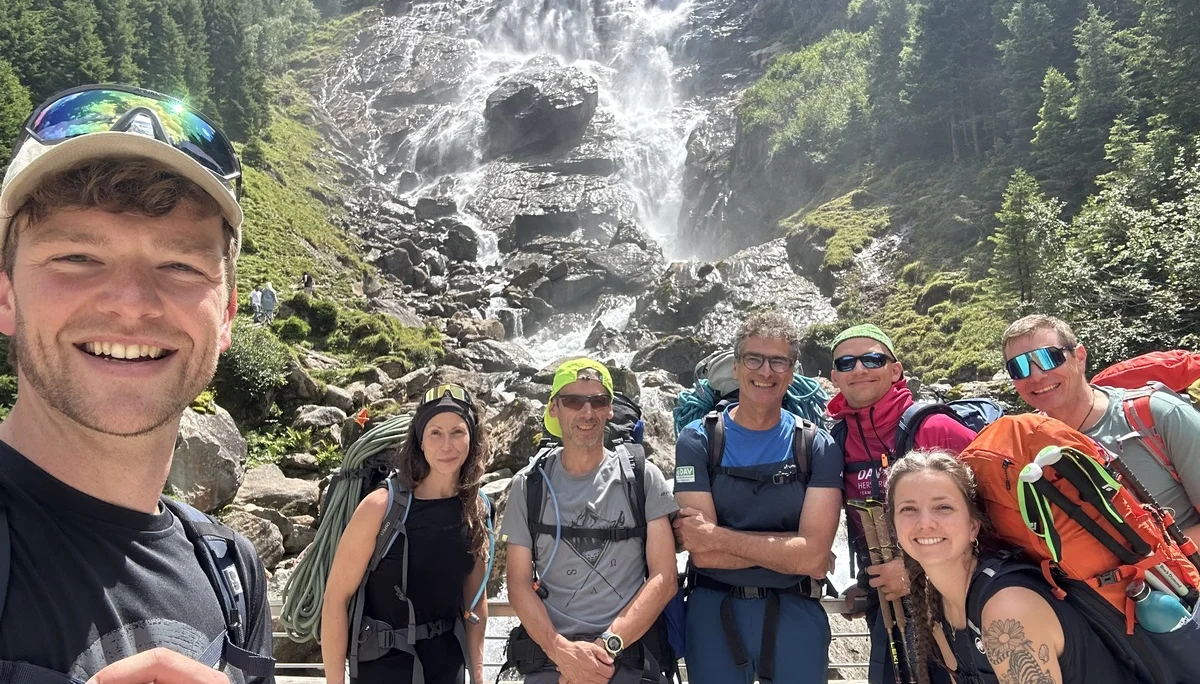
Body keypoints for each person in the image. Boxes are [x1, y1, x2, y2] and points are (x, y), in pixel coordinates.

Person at [0, 84, 273, 682]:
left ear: (226, 316)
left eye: (179, 266)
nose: (131, 303)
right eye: (77, 257)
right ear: (6, 294)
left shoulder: (232, 574)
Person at [673, 312, 844, 684]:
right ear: (735, 367)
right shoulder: (697, 440)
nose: (765, 371)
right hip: (713, 616)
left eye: (778, 361)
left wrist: (719, 537)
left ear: (792, 371)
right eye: (754, 358)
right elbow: (701, 554)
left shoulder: (817, 445)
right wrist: (792, 554)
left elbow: (814, 555)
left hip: (795, 615)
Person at [502, 358, 679, 684]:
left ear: (610, 409)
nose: (587, 412)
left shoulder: (643, 479)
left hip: (628, 656)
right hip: (552, 661)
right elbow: (517, 583)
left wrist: (604, 649)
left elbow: (665, 578)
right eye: (573, 401)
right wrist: (562, 653)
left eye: (599, 401)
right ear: (554, 408)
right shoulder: (529, 486)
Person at [887, 449, 1130, 684]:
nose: (925, 523)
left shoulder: (1007, 608)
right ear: (895, 526)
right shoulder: (936, 605)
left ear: (973, 526)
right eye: (908, 509)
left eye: (943, 507)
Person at [826, 324, 977, 684]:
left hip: (955, 601)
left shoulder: (936, 428)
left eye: (872, 359)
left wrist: (913, 573)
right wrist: (866, 580)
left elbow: (991, 517)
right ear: (834, 377)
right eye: (846, 363)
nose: (859, 369)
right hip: (885, 601)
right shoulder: (838, 440)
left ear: (896, 370)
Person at [321, 383, 491, 684]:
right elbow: (336, 598)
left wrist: (478, 676)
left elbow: (475, 599)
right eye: (435, 433)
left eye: (457, 432)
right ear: (420, 442)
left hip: (448, 669)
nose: (447, 445)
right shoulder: (381, 507)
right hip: (384, 671)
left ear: (472, 439)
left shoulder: (475, 508)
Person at [1001, 314, 1200, 541]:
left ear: (1080, 357)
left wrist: (1149, 565)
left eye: (1049, 358)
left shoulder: (1157, 414)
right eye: (1019, 367)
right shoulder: (1025, 449)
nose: (1036, 375)